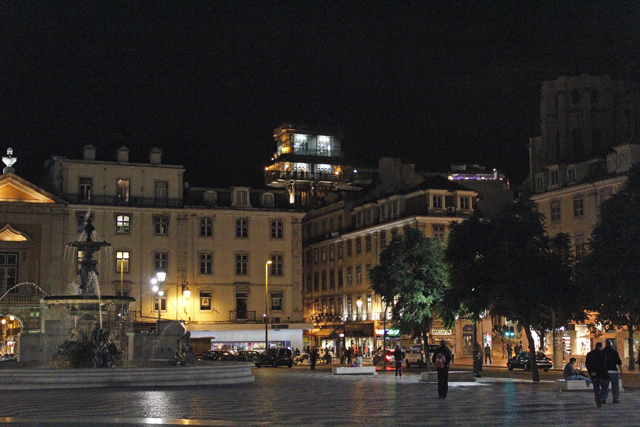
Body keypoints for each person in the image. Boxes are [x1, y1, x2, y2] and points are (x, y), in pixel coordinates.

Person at [585, 342, 610, 408]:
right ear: (601, 347)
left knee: (596, 389)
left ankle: (598, 399)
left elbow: (587, 364)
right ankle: (600, 398)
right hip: (602, 374)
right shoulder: (603, 354)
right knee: (605, 388)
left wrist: (591, 372)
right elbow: (606, 364)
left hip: (594, 374)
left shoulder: (589, 354)